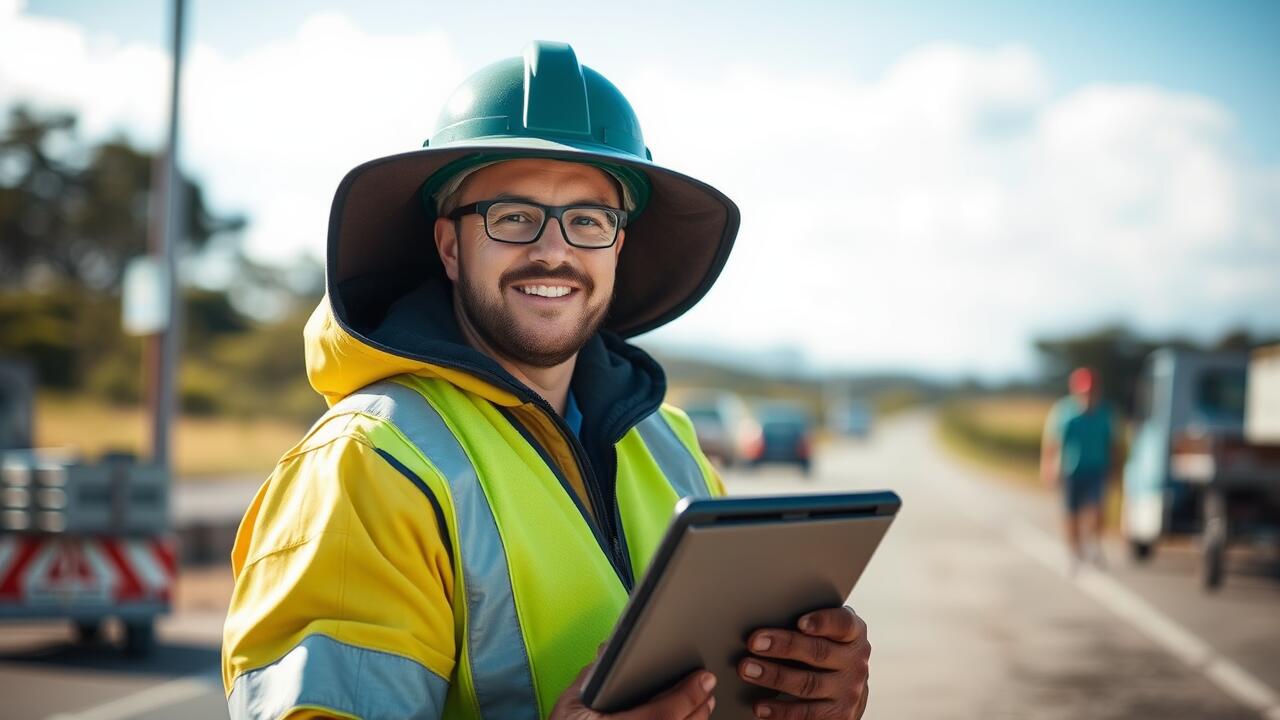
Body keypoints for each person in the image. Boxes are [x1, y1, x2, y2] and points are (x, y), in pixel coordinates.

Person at [221, 41, 871, 720]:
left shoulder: (673, 447)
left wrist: (802, 695)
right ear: (450, 246)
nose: (554, 251)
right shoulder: (366, 463)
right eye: (513, 216)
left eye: (588, 220)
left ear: (618, 247)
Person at [1041, 367, 1116, 571]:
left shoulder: (1105, 413)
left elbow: (1112, 443)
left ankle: (1094, 544)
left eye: (1092, 391)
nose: (1088, 396)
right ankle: (1074, 551)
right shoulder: (1064, 412)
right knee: (1071, 513)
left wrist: (1114, 468)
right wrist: (1048, 468)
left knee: (1097, 509)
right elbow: (1052, 443)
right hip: (1071, 470)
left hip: (1097, 469)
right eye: (1085, 392)